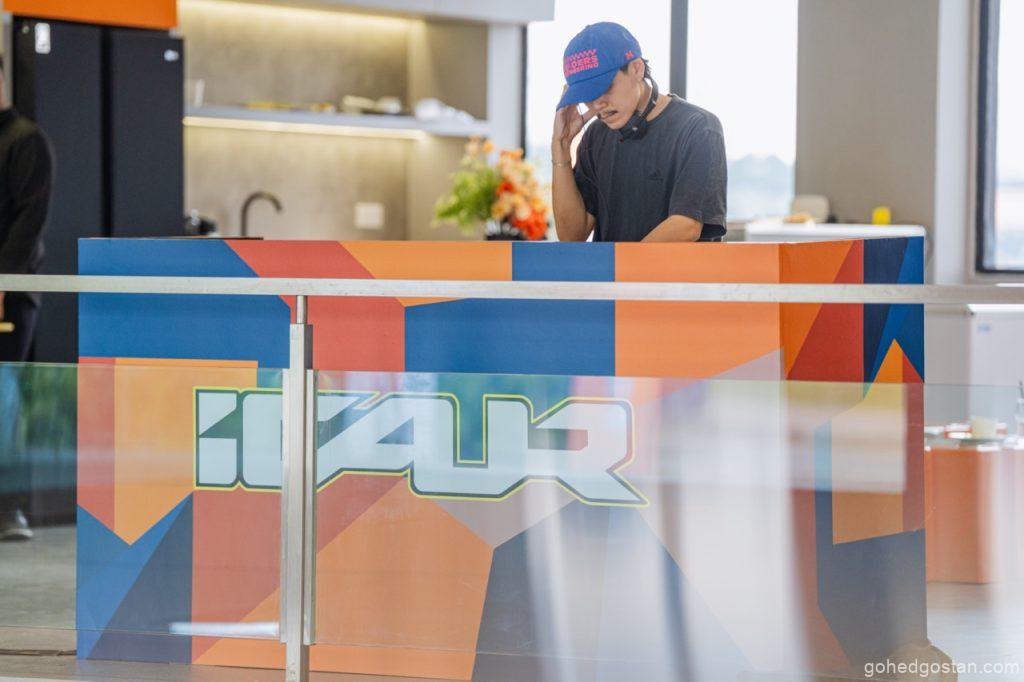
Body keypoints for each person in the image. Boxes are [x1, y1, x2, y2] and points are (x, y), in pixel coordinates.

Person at [551, 22, 727, 243]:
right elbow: (571, 237)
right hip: (618, 267)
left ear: (636, 69)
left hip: (671, 268)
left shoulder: (698, 127)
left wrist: (620, 265)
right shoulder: (596, 135)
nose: (597, 104)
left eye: (604, 88)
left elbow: (686, 226)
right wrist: (560, 147)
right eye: (587, 95)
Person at [0, 54, 54, 541]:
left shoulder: (24, 139)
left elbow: (29, 221)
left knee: (4, 396)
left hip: (9, 294)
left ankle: (8, 509)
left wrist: (2, 283)